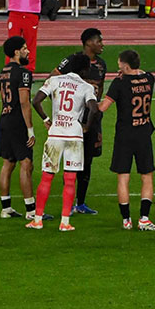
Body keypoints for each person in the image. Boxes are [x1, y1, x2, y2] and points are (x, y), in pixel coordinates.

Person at [28, 53, 97, 232]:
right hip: (74, 136)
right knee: (70, 179)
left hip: (56, 133)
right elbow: (94, 109)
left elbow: (36, 101)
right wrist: (86, 126)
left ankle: (37, 220)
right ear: (85, 70)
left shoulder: (54, 80)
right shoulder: (86, 87)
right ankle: (65, 222)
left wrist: (46, 119)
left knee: (47, 177)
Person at [98, 49, 155, 231]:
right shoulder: (149, 79)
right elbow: (144, 74)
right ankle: (144, 219)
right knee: (147, 176)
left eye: (120, 64)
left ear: (125, 66)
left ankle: (126, 220)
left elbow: (103, 107)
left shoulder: (119, 83)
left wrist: (90, 104)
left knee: (123, 177)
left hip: (124, 135)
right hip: (144, 133)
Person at [54, 28, 107, 214]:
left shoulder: (101, 64)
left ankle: (81, 203)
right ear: (88, 43)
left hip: (92, 118)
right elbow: (52, 79)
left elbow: (100, 88)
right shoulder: (72, 60)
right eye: (99, 41)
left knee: (88, 160)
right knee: (71, 160)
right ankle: (68, 203)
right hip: (74, 118)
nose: (102, 45)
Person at [0, 36, 38, 219]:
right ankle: (31, 210)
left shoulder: (3, 71)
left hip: (4, 119)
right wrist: (30, 129)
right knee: (26, 163)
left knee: (8, 163)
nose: (28, 51)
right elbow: (24, 102)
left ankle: (5, 208)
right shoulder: (23, 73)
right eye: (24, 48)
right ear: (16, 52)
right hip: (17, 122)